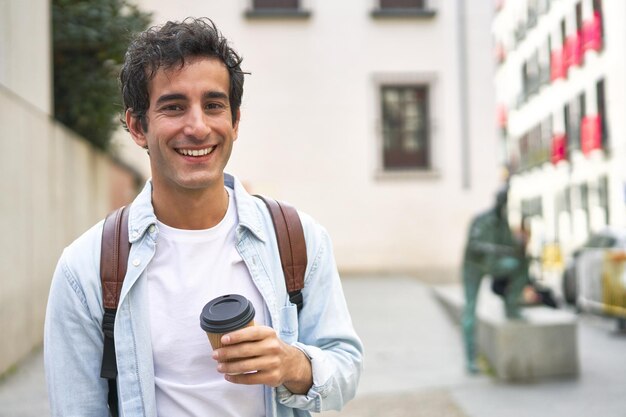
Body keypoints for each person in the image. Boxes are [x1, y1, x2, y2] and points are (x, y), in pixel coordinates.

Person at [44, 17, 363, 417]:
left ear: (235, 121)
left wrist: (294, 365)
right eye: (174, 107)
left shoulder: (297, 239)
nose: (197, 127)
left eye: (213, 105)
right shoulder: (85, 269)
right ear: (137, 126)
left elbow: (346, 366)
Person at [461, 186, 528, 373]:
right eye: (502, 200)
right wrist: (496, 250)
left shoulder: (503, 223)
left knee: (521, 264)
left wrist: (520, 243)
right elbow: (474, 245)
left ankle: (511, 305)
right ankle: (470, 359)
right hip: (473, 268)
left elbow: (510, 245)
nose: (503, 205)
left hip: (492, 265)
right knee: (470, 308)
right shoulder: (482, 220)